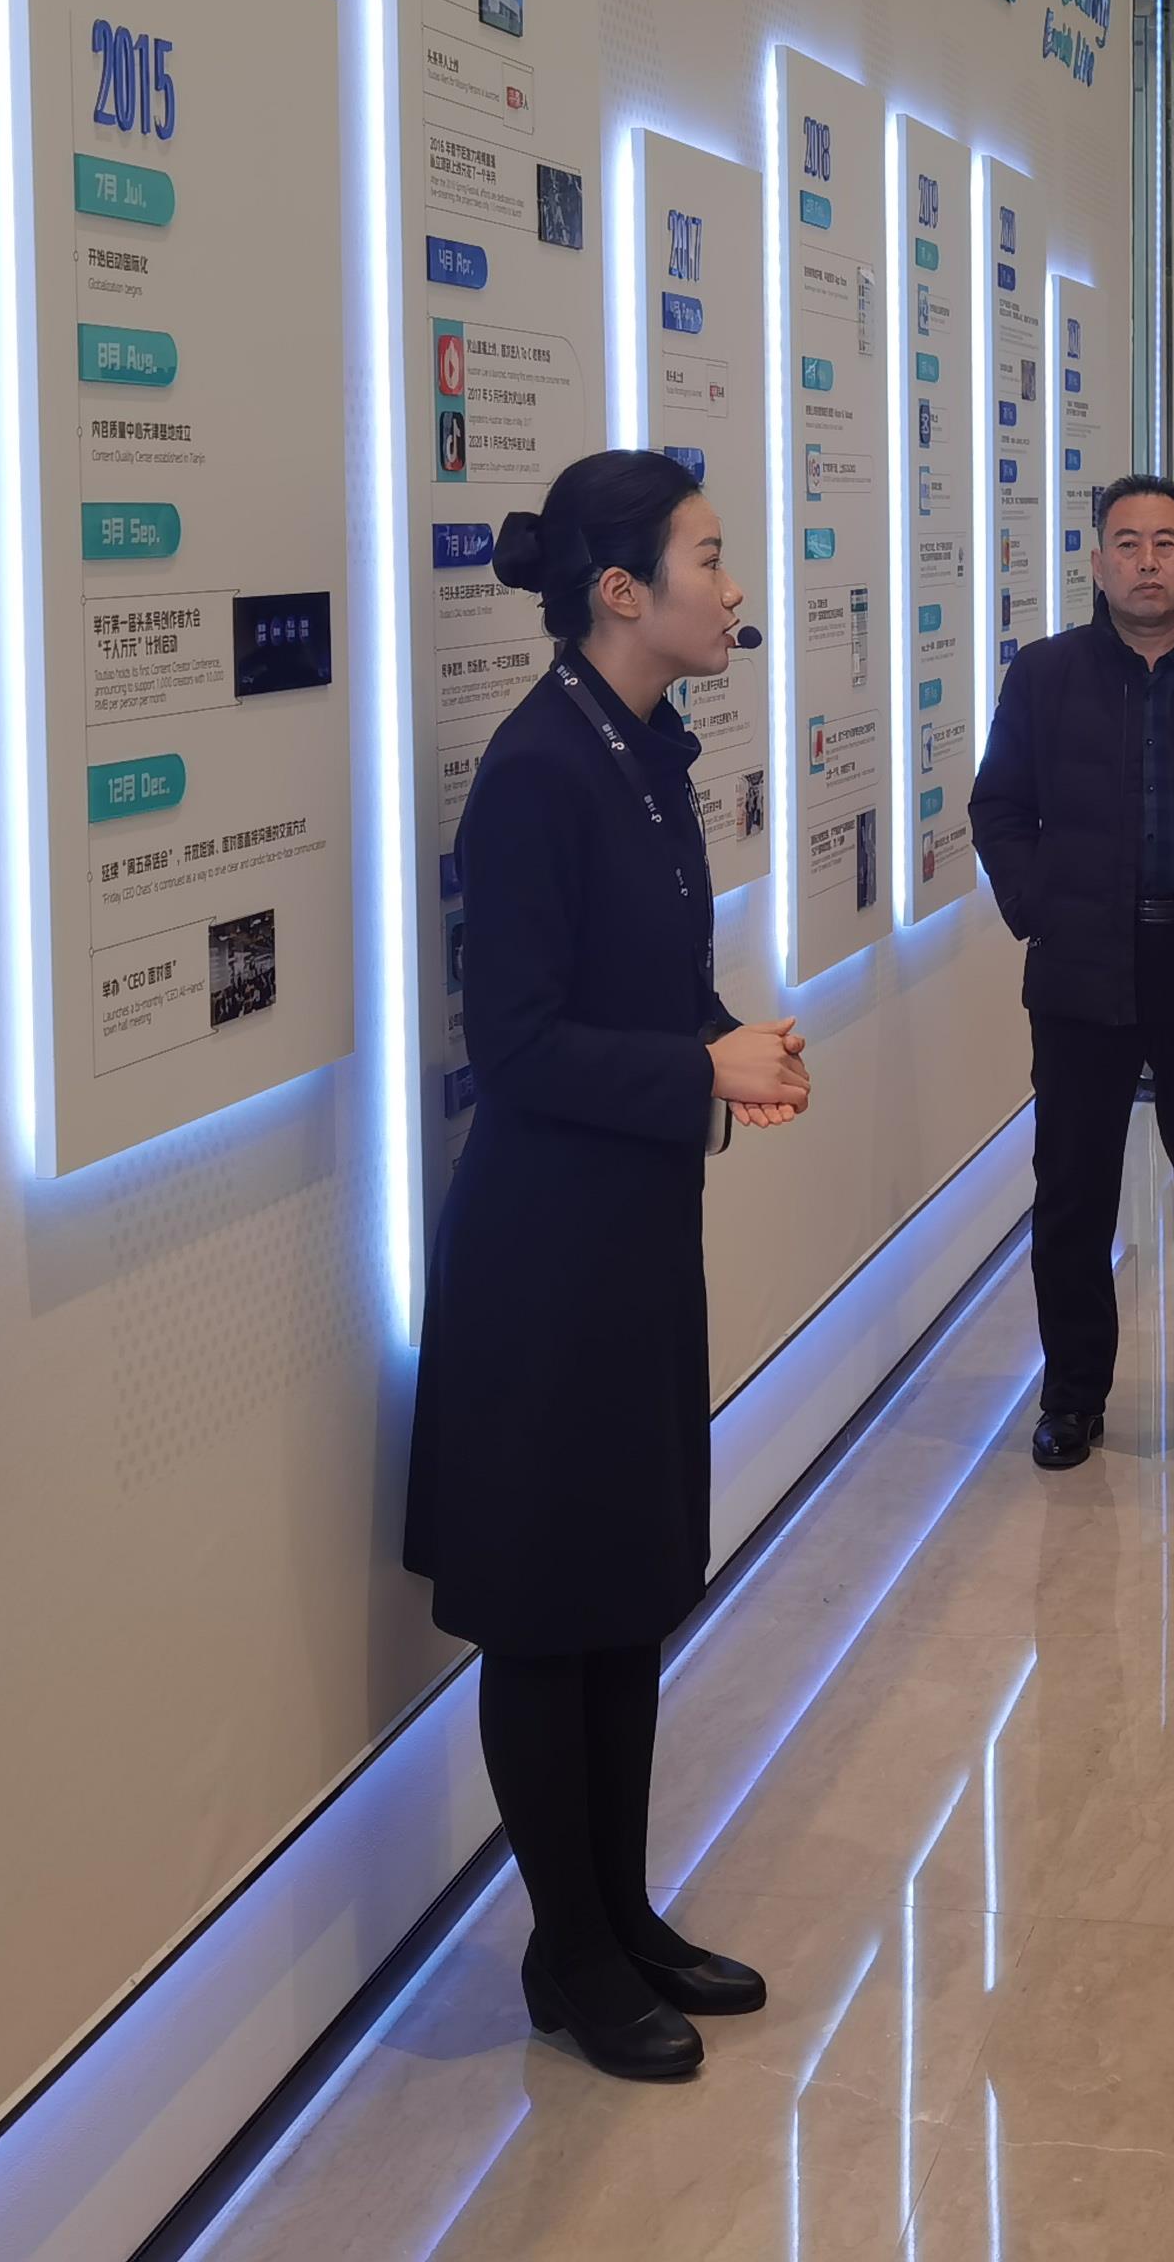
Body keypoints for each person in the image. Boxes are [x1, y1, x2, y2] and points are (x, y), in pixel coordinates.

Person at [403, 452, 807, 2085]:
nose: (733, 584)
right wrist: (697, 1070)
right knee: (545, 1610)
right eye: (708, 556)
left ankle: (619, 1915)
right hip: (542, 1256)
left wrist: (727, 1041)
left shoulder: (643, 746)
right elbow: (513, 1044)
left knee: (628, 1588)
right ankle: (566, 1952)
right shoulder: (536, 771)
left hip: (631, 1227)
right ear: (622, 591)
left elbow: (644, 985)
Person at [969, 472, 1174, 1472]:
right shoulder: (1046, 674)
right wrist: (1038, 907)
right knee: (1073, 1193)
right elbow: (999, 807)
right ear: (1097, 560)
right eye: (1127, 543)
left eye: (1166, 543)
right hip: (1081, 966)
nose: (1147, 561)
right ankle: (1073, 1395)